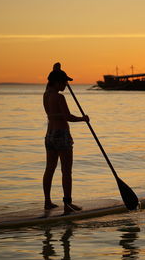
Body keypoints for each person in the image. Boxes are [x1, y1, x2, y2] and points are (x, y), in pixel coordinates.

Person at [43, 62, 89, 213]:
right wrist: (83, 119)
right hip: (62, 135)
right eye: (64, 82)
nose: (65, 85)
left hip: (49, 135)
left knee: (50, 168)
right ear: (57, 82)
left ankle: (47, 202)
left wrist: (56, 70)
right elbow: (68, 117)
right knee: (66, 171)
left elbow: (49, 83)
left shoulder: (46, 94)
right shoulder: (59, 98)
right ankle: (68, 204)